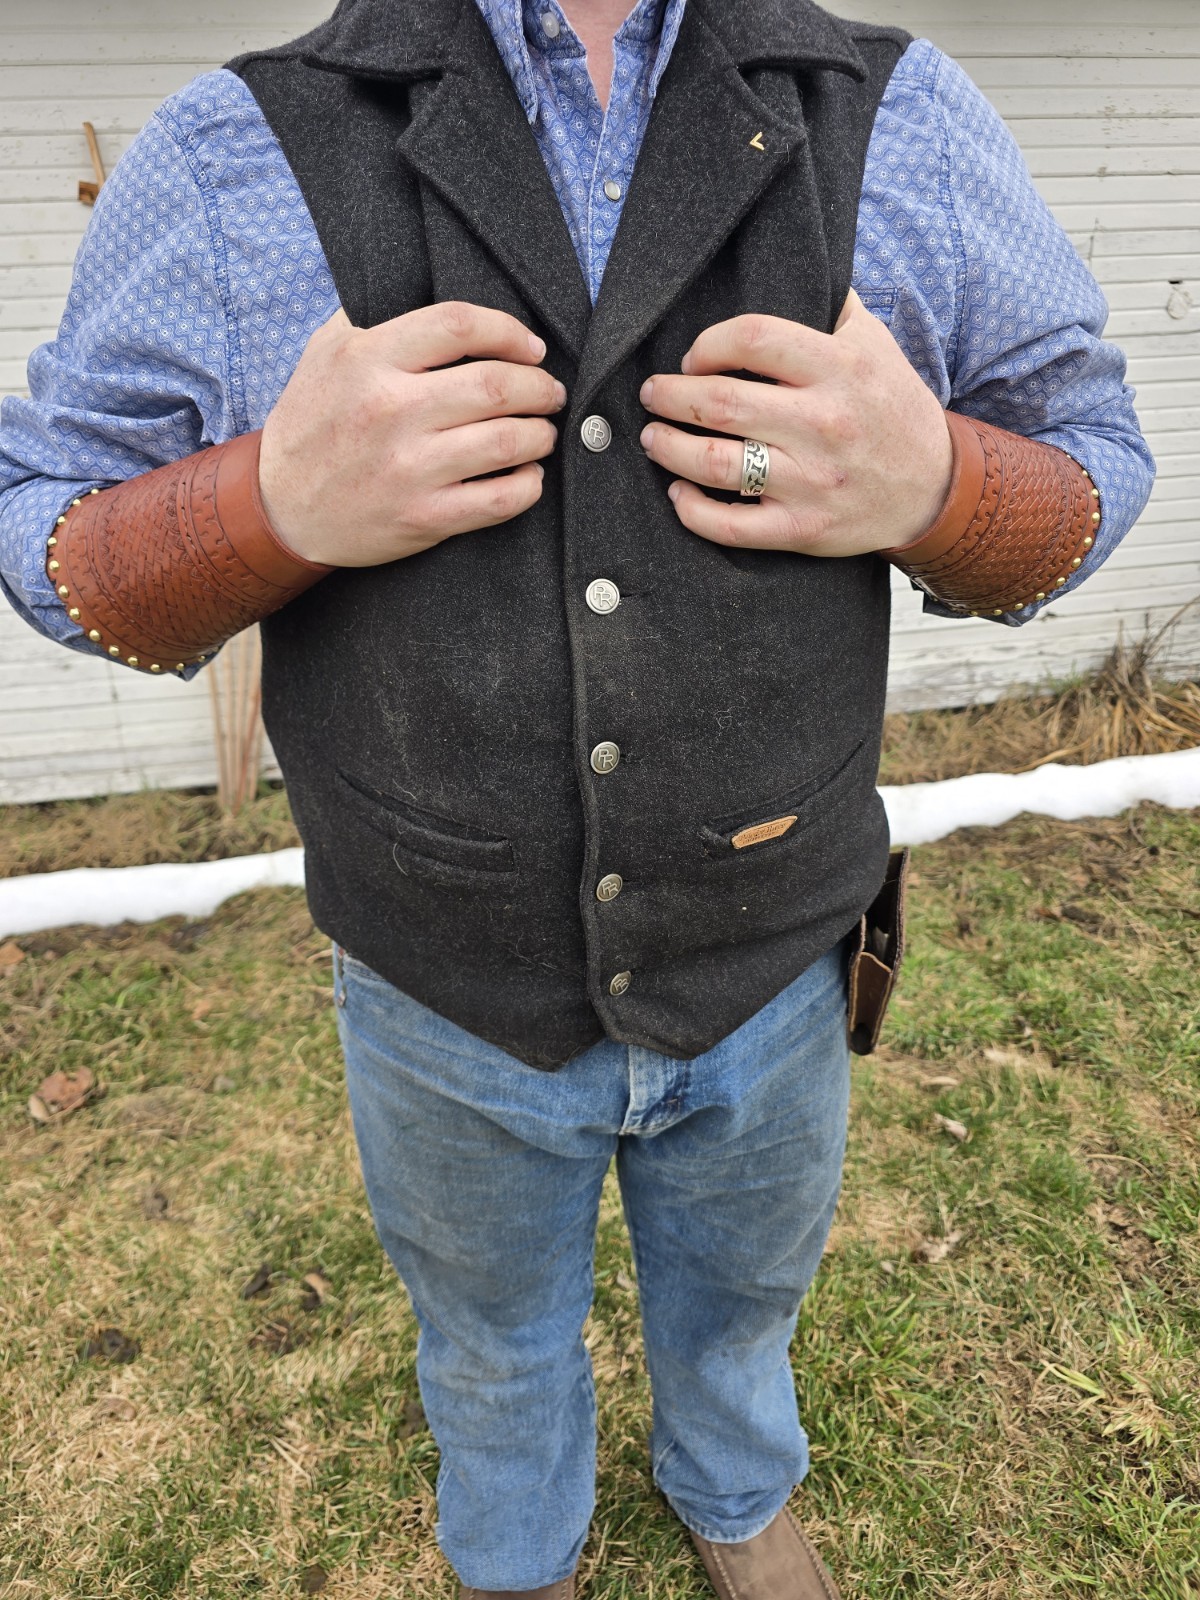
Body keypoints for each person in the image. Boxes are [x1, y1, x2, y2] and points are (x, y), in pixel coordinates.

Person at [0, 1, 1154, 1595]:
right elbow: (49, 534)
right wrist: (265, 505)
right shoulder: (236, 146)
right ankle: (514, 1544)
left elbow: (1091, 454)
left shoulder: (898, 116)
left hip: (775, 958)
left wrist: (939, 488)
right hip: (437, 981)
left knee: (746, 1297)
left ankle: (740, 1496)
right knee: (486, 1331)